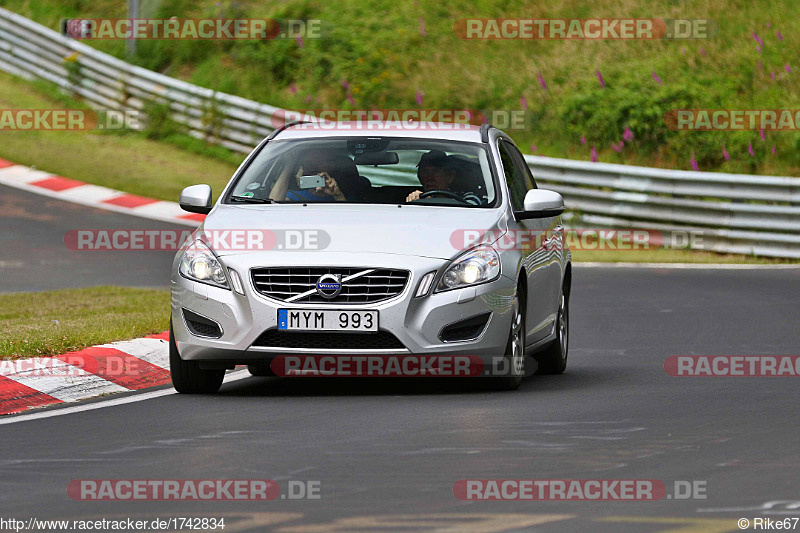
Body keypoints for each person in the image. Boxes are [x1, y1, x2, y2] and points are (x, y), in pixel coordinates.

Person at [405, 150, 482, 205]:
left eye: (435, 172)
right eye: (424, 172)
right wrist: (413, 203)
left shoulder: (469, 198)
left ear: (450, 176)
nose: (429, 177)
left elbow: (470, 215)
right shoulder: (418, 197)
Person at [280, 152, 361, 202]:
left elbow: (352, 222)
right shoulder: (292, 197)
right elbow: (275, 211)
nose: (312, 167)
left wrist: (338, 195)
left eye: (319, 162)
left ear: (332, 166)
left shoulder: (352, 198)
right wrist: (287, 168)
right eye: (308, 163)